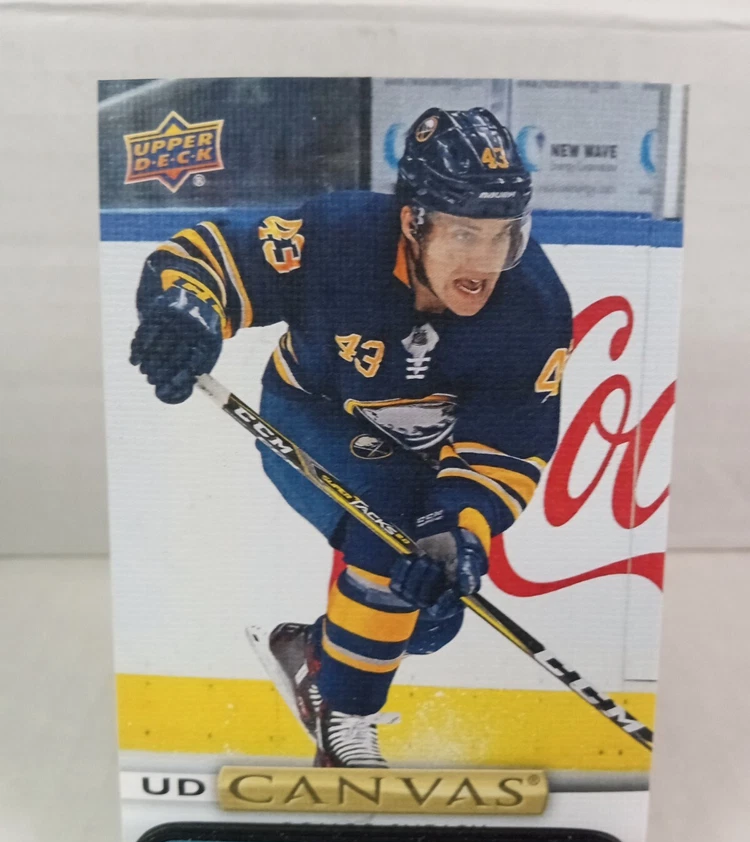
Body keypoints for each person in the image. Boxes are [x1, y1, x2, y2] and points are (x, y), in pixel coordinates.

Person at [129, 107, 572, 769]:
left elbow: (507, 447)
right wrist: (185, 313)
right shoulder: (339, 237)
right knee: (389, 537)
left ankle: (316, 655)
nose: (485, 261)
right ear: (412, 221)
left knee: (431, 615)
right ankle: (345, 723)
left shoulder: (533, 307)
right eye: (463, 233)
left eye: (502, 235)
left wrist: (459, 529)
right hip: (313, 415)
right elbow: (209, 257)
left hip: (424, 457)